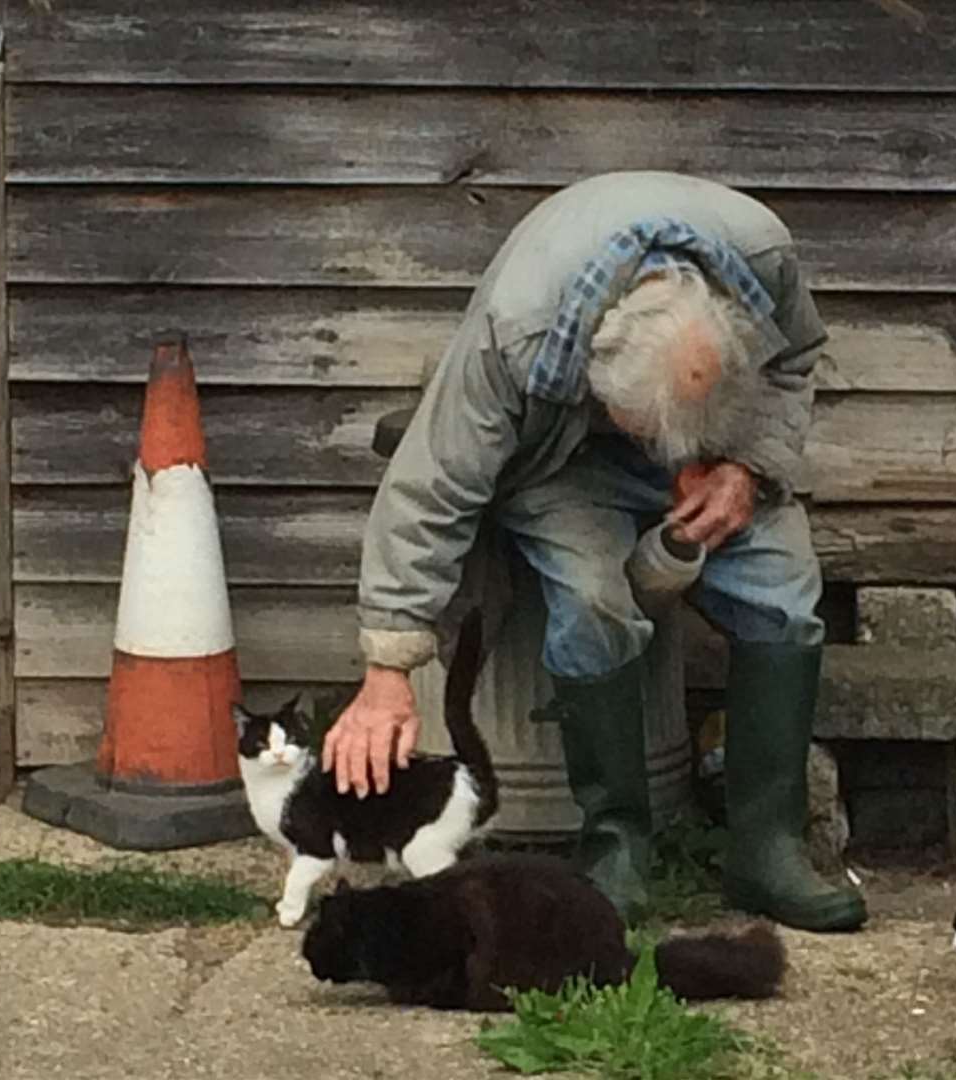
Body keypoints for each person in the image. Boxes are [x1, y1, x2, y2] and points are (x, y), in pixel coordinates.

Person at [322, 171, 865, 933]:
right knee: (591, 600)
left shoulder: (761, 260)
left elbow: (794, 361)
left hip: (720, 436)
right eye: (643, 425)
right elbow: (429, 485)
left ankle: (765, 849)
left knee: (784, 589)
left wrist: (746, 465)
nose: (651, 445)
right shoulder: (521, 332)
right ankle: (616, 845)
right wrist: (387, 669)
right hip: (564, 459)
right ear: (591, 369)